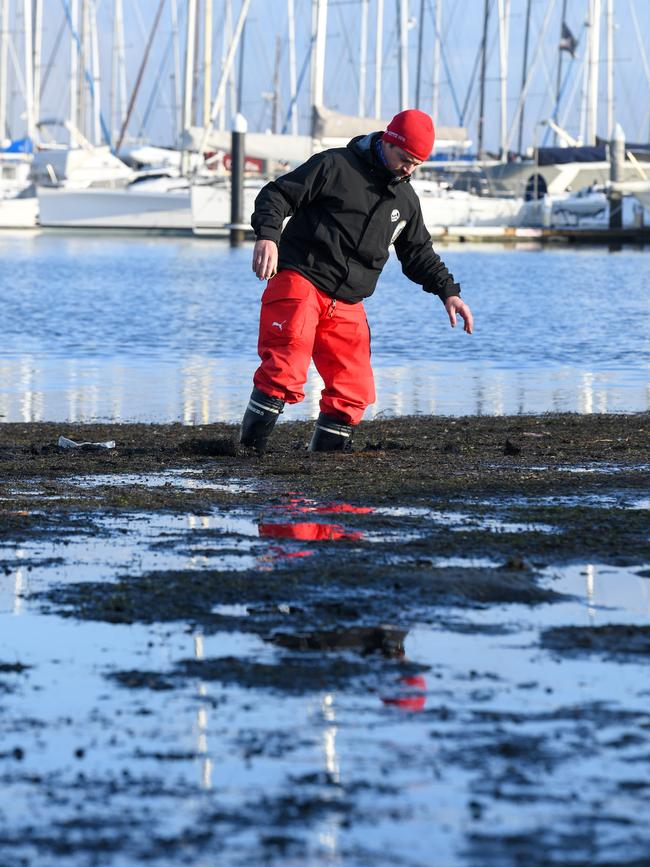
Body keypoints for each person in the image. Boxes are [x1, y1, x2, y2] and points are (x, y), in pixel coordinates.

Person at [240, 108, 473, 454]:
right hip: (301, 280)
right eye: (404, 158)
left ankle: (325, 463)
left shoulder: (405, 201)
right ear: (387, 141)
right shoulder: (335, 166)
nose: (408, 169)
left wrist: (447, 292)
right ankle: (245, 454)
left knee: (353, 391)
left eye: (416, 164)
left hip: (348, 302)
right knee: (284, 369)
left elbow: (418, 254)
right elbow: (277, 195)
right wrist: (268, 236)